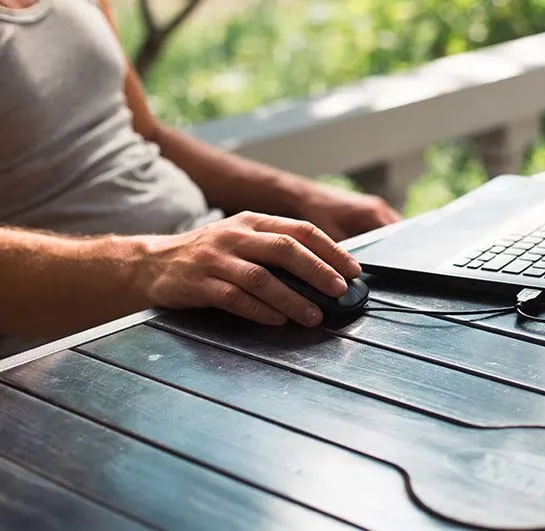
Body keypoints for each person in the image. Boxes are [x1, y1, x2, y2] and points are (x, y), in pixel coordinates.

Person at [0, 0, 401, 356]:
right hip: (67, 345)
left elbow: (146, 133)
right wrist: (154, 265)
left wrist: (298, 195)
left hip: (205, 278)